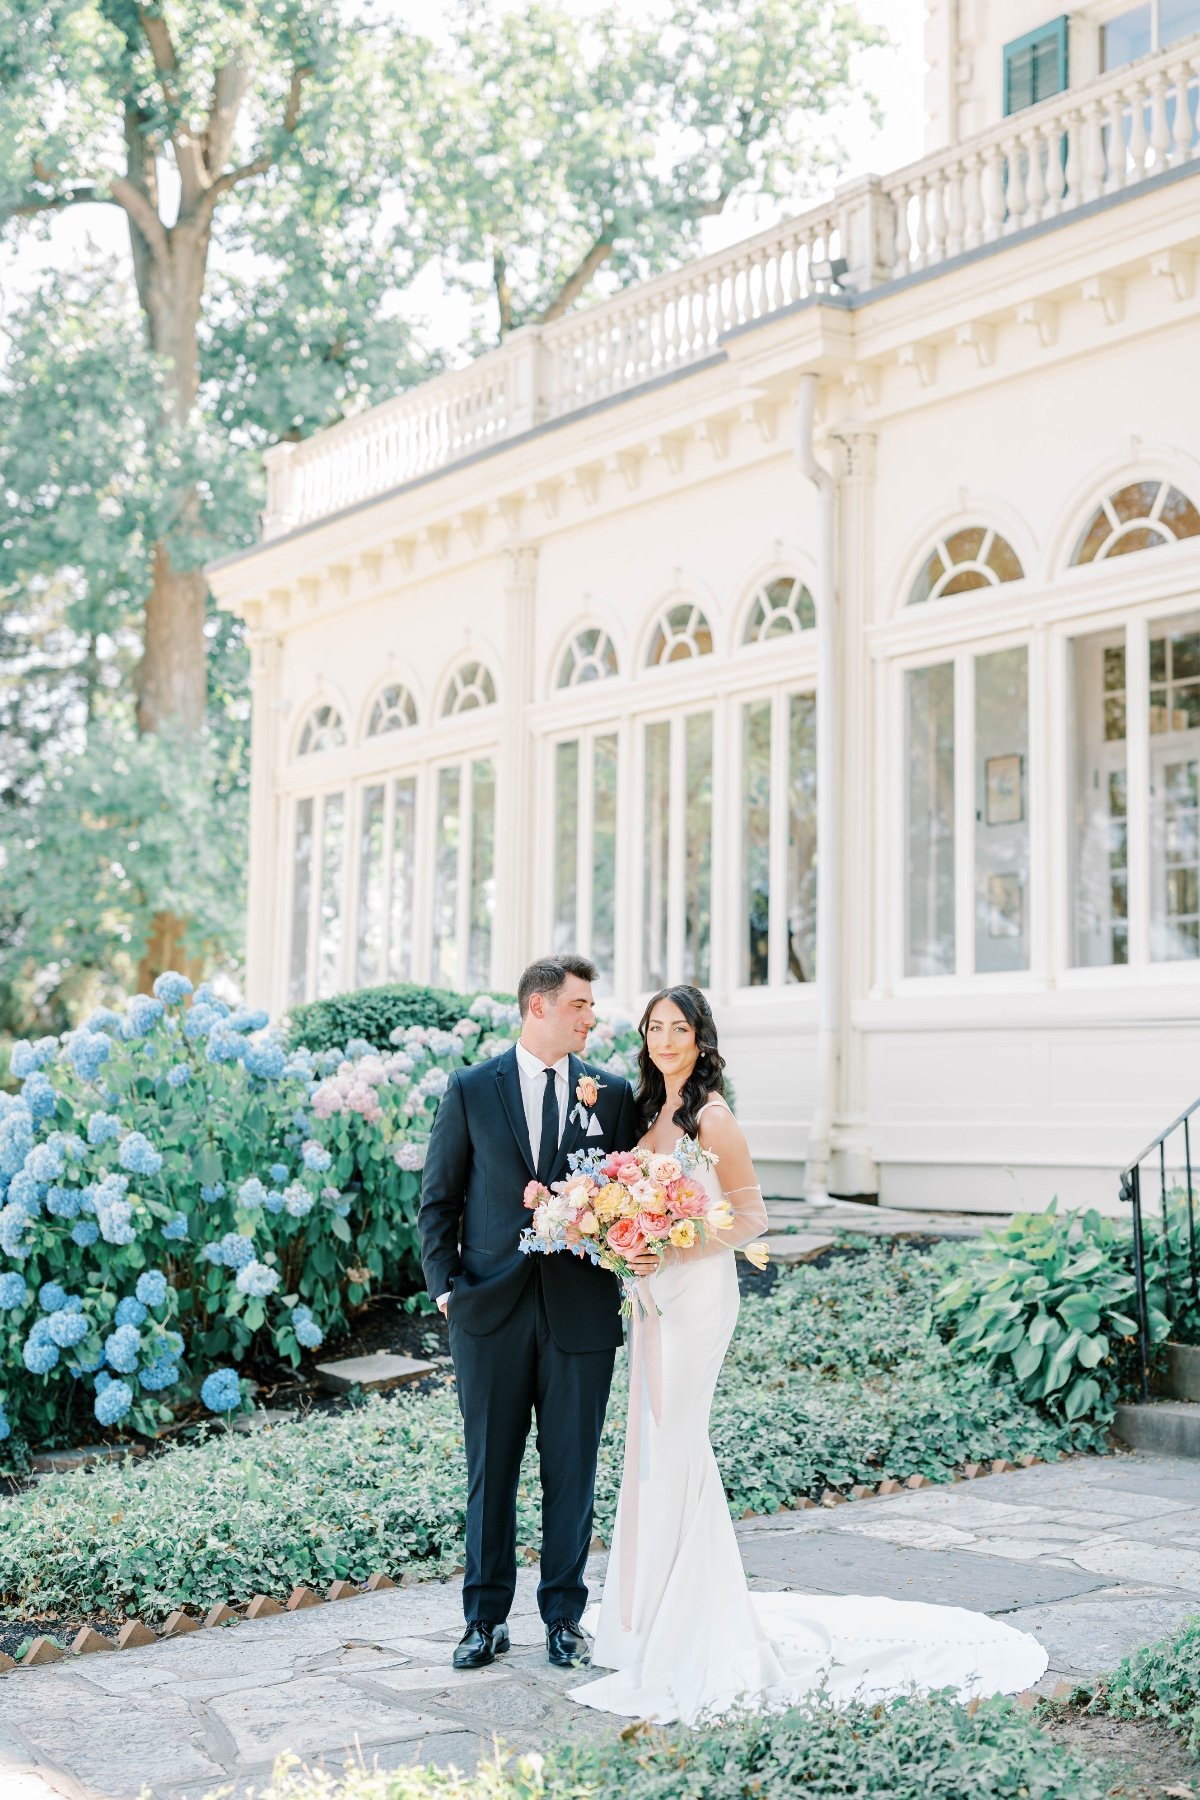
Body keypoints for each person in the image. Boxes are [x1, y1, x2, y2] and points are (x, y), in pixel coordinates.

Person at [569, 983, 1048, 1724]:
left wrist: (672, 1239)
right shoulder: (643, 1112)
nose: (665, 1039)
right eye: (654, 1027)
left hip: (699, 1298)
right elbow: (626, 1198)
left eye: (678, 1028)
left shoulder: (713, 1118)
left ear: (701, 1037)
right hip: (653, 1298)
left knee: (679, 1443)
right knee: (651, 1448)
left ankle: (690, 1625)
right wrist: (625, 1240)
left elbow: (753, 1215)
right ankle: (644, 1617)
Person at [418, 953, 638, 1673]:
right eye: (579, 1005)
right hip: (489, 1312)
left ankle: (564, 1619)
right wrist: (446, 1287)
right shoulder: (472, 1089)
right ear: (538, 1007)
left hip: (579, 1311)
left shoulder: (610, 1093)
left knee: (572, 1471)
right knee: (492, 1469)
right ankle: (483, 1620)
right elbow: (438, 1199)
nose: (591, 1017)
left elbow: (630, 1191)